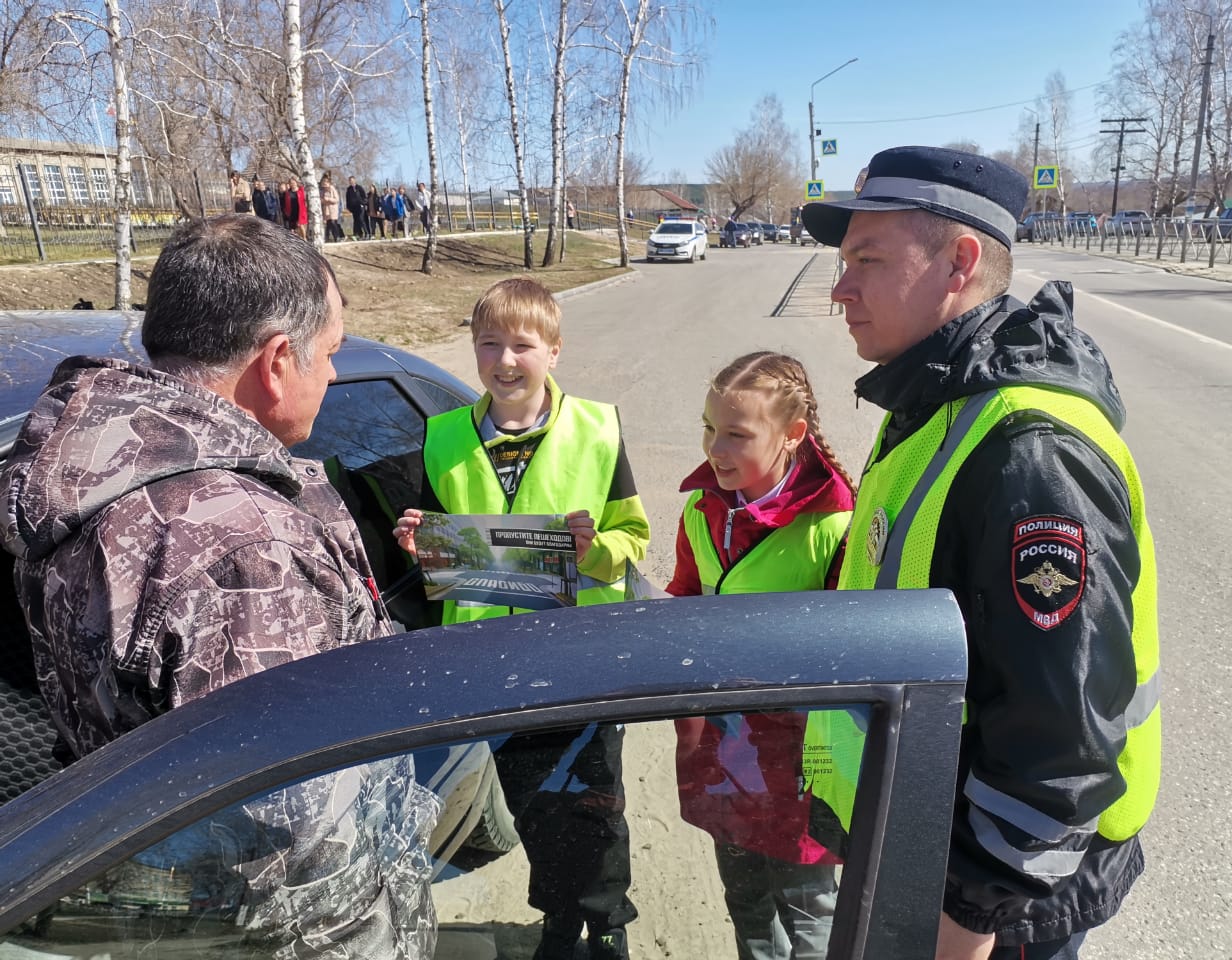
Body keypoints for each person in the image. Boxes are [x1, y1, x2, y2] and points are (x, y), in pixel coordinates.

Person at [0, 213, 438, 957]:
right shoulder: (245, 546)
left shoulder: (86, 476)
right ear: (275, 362)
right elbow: (302, 849)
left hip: (144, 899)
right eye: (328, 355)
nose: (333, 374)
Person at [801, 145, 1160, 960]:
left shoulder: (1031, 453)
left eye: (867, 260)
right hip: (926, 858)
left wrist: (964, 923)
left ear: (960, 261)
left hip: (991, 906)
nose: (839, 287)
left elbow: (1057, 745)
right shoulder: (937, 397)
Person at [393, 277, 649, 960]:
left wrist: (598, 552)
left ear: (554, 351)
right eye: (489, 344)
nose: (506, 361)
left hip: (577, 659)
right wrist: (420, 543)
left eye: (523, 346)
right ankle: (559, 924)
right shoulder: (443, 437)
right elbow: (437, 555)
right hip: (485, 661)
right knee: (533, 803)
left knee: (593, 800)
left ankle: (607, 924)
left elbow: (635, 540)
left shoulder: (598, 428)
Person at [667, 351, 857, 960]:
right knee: (744, 894)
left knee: (808, 905)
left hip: (802, 755)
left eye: (736, 435)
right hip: (722, 743)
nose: (715, 449)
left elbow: (852, 651)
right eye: (708, 428)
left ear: (792, 435)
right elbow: (684, 599)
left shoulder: (833, 524)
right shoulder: (700, 511)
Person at [320, 172, 345, 243]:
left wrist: (329, 199)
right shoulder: (322, 191)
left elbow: (337, 199)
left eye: (325, 182)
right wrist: (323, 200)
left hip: (333, 209)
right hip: (326, 210)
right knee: (328, 224)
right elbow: (321, 199)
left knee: (333, 223)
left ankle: (337, 237)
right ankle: (327, 238)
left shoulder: (332, 189)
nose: (324, 184)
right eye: (323, 182)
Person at [346, 175, 369, 239]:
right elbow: (348, 199)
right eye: (350, 181)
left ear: (355, 180)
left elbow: (364, 196)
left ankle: (366, 233)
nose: (351, 182)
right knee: (356, 220)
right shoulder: (349, 189)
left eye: (352, 181)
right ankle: (358, 234)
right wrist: (348, 207)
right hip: (354, 207)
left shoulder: (359, 187)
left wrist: (363, 203)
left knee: (361, 219)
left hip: (360, 206)